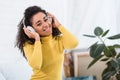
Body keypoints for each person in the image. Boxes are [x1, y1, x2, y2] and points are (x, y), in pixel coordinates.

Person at [15, 5, 78, 80]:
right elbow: (36, 65)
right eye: (39, 24)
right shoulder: (29, 45)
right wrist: (37, 39)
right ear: (31, 29)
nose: (45, 24)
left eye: (45, 19)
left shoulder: (58, 40)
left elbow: (74, 43)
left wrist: (58, 25)